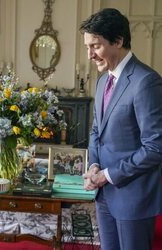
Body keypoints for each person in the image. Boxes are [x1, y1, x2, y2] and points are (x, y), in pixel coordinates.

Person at [80, 8, 162, 250]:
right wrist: (94, 166)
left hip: (133, 198)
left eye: (95, 46)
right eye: (88, 47)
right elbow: (97, 131)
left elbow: (155, 147)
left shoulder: (146, 81)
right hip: (104, 196)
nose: (90, 54)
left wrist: (107, 175)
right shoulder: (103, 79)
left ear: (118, 41)